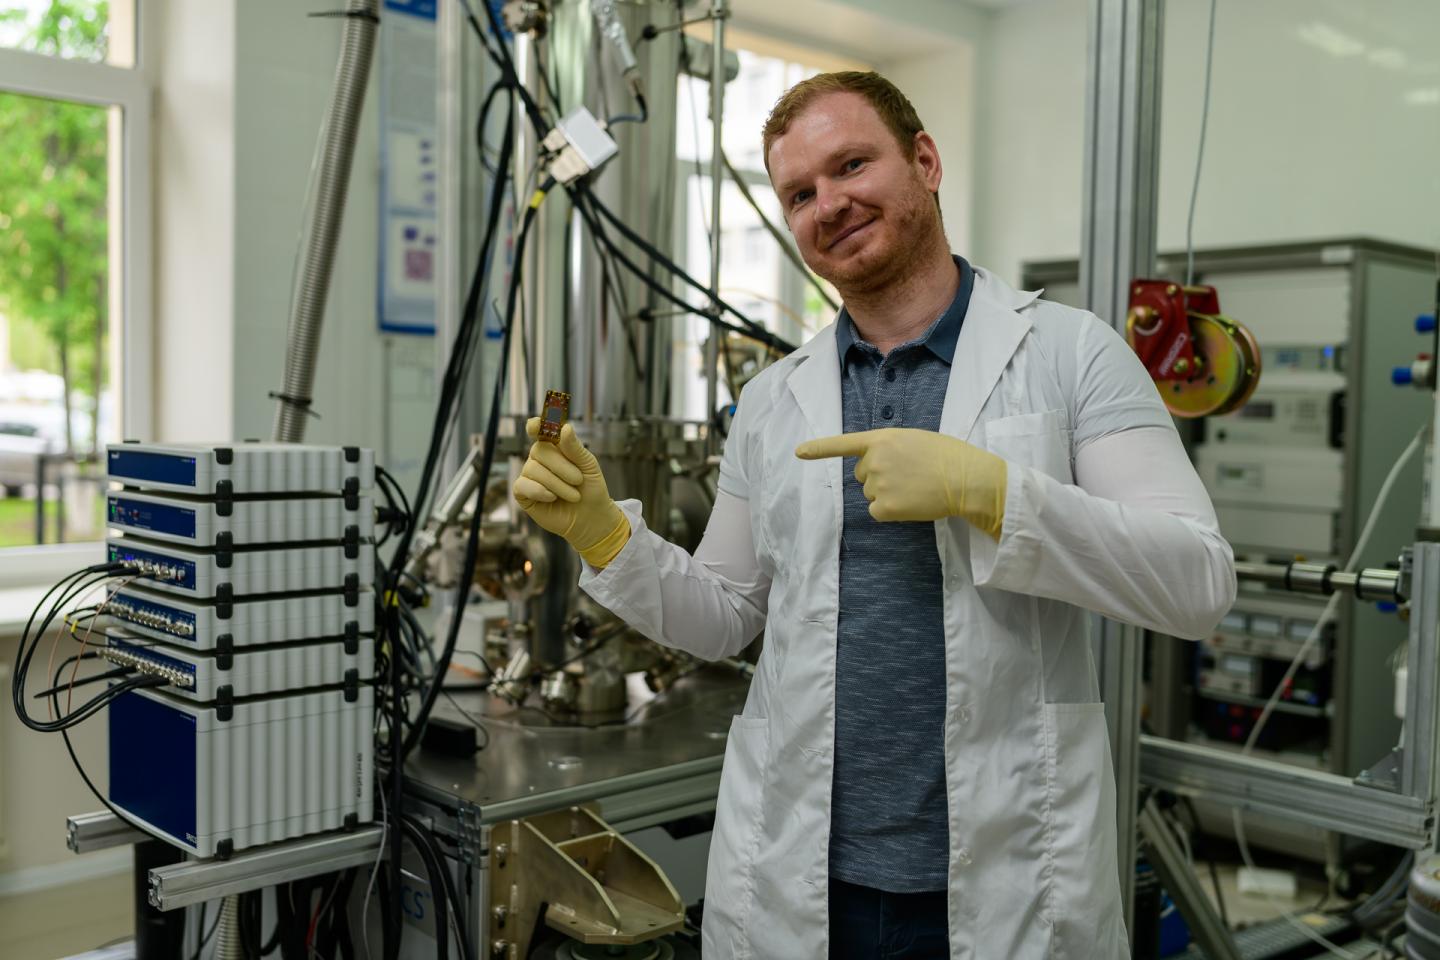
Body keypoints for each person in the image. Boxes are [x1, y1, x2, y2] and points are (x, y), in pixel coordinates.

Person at [512, 71, 1234, 960]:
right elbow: (728, 614)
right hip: (807, 881)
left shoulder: (1071, 353)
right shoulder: (775, 400)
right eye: (800, 193)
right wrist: (602, 532)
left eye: (852, 165)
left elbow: (1197, 582)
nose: (830, 204)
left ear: (925, 161)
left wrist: (994, 494)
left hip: (1007, 874)